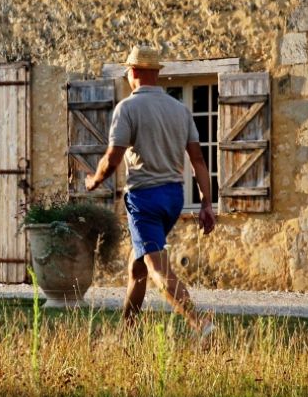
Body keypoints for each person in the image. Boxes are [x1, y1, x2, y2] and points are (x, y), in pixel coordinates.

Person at [84, 45, 216, 338]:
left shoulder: (127, 108)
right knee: (138, 267)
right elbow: (198, 160)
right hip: (173, 198)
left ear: (133, 72)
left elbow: (113, 158)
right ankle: (127, 333)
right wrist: (206, 202)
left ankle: (200, 322)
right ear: (156, 73)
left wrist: (94, 180)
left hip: (144, 199)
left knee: (157, 269)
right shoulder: (180, 110)